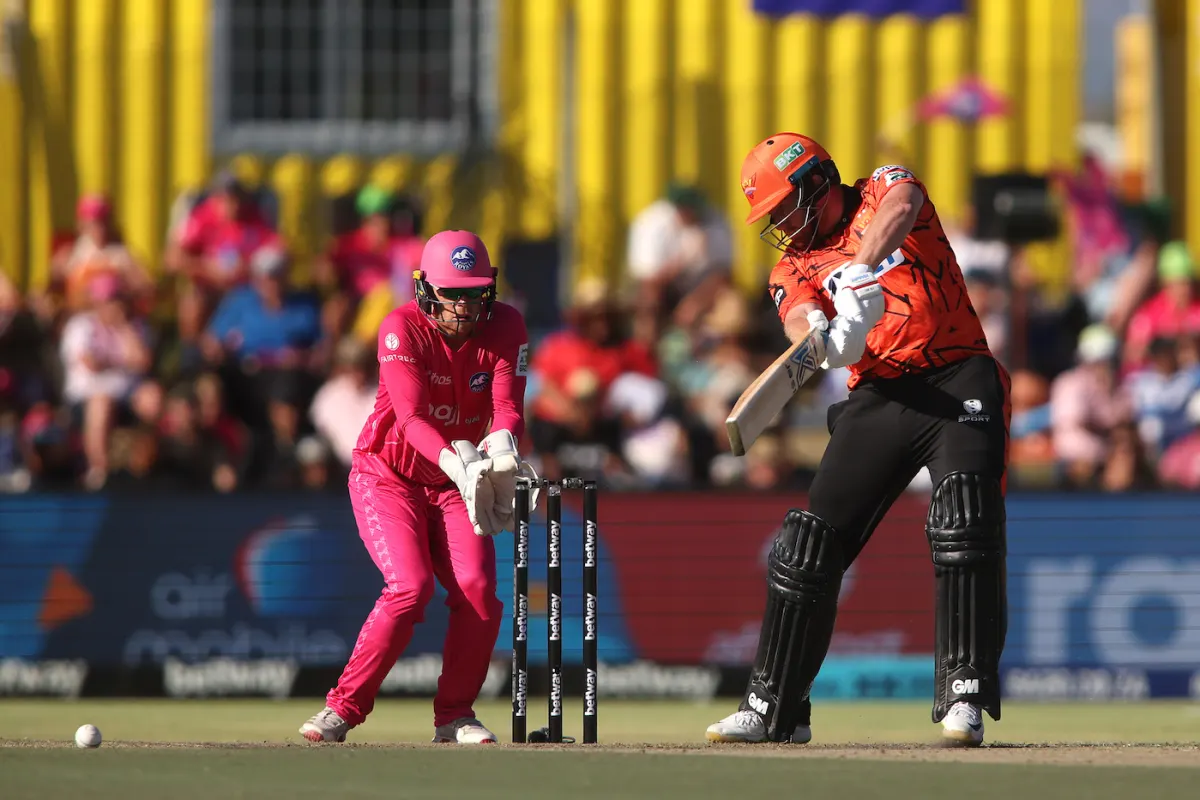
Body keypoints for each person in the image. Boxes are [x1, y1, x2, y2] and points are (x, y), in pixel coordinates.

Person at [706, 134, 1011, 748]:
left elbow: (902, 206)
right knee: (807, 546)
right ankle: (774, 706)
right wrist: (822, 333)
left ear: (816, 184)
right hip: (878, 395)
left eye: (782, 209)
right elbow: (799, 323)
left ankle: (964, 692)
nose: (779, 227)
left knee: (964, 518)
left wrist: (858, 269)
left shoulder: (882, 188)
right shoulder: (792, 266)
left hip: (958, 376)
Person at [299, 230, 533, 745]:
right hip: (389, 474)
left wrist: (501, 453)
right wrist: (460, 464)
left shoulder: (507, 324)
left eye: (474, 293)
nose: (463, 306)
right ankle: (342, 708)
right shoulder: (400, 328)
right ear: (425, 289)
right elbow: (410, 419)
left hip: (455, 481)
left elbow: (507, 408)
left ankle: (455, 716)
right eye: (452, 294)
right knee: (410, 587)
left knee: (478, 591)